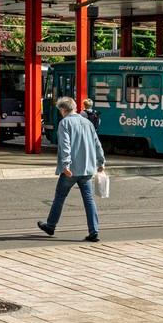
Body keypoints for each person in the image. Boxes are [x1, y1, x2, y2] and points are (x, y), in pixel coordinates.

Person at [37, 96, 106, 243]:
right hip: (87, 168)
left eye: (60, 110)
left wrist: (66, 165)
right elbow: (97, 143)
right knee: (89, 199)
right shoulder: (87, 123)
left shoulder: (65, 123)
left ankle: (50, 225)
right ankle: (94, 231)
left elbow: (65, 145)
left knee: (60, 197)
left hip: (72, 170)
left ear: (63, 109)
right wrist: (101, 162)